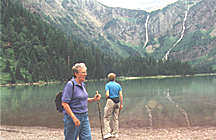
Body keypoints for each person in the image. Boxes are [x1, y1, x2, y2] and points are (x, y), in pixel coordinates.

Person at [61, 63, 101, 140]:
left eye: (85, 72)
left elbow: (83, 99)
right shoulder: (70, 84)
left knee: (87, 138)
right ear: (76, 73)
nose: (85, 74)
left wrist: (93, 99)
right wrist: (74, 118)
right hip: (73, 117)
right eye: (83, 72)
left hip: (84, 116)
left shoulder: (83, 84)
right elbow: (64, 103)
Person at [103, 73, 123, 139]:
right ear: (114, 78)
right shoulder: (118, 85)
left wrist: (107, 99)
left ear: (108, 78)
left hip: (110, 101)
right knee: (115, 118)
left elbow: (107, 94)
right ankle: (115, 133)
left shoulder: (107, 85)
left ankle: (108, 133)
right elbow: (121, 95)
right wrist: (121, 104)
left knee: (106, 117)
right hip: (117, 101)